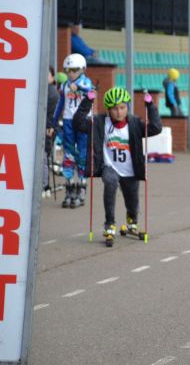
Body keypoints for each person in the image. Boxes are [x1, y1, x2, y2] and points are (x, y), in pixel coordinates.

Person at [72, 87, 162, 246]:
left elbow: (156, 128)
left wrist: (150, 106)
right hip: (109, 166)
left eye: (122, 108)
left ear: (127, 107)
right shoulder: (100, 122)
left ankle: (132, 222)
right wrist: (88, 100)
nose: (119, 112)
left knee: (132, 200)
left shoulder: (134, 123)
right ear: (108, 109)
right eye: (115, 108)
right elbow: (78, 123)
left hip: (130, 169)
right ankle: (109, 223)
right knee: (110, 182)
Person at [49, 53, 94, 208]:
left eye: (74, 70)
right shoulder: (64, 85)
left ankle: (81, 189)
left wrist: (80, 86)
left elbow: (91, 91)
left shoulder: (86, 82)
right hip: (68, 122)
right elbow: (60, 105)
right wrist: (52, 124)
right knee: (68, 156)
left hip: (83, 122)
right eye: (68, 70)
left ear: (82, 69)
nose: (71, 73)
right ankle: (70, 188)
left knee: (82, 156)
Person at [43, 66, 60, 198]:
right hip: (49, 128)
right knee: (45, 156)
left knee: (44, 157)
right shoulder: (49, 91)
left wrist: (50, 126)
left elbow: (51, 113)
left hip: (48, 128)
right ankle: (44, 185)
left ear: (52, 77)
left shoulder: (51, 92)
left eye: (47, 74)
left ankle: (44, 185)